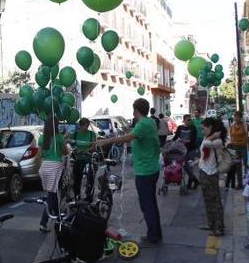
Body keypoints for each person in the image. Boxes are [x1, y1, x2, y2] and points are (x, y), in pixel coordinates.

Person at [94, 98, 163, 245]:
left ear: (136, 110)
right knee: (151, 203)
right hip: (151, 168)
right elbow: (132, 138)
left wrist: (105, 141)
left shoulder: (143, 123)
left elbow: (128, 137)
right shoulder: (149, 122)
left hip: (145, 171)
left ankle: (153, 236)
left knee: (147, 205)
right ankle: (155, 233)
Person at [37, 116, 69, 232]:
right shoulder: (59, 138)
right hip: (56, 168)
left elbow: (41, 155)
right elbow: (66, 152)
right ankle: (43, 222)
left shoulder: (41, 138)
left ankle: (58, 216)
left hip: (45, 167)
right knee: (52, 195)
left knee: (53, 194)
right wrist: (63, 141)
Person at [197, 117, 226, 236]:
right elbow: (203, 151)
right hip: (203, 171)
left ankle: (219, 227)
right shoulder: (207, 138)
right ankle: (211, 223)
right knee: (207, 199)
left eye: (204, 128)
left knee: (215, 201)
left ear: (210, 128)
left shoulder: (217, 141)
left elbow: (206, 144)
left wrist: (213, 136)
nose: (202, 131)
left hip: (212, 173)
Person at [69, 118, 97, 201]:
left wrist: (85, 151)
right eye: (84, 126)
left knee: (90, 176)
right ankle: (77, 195)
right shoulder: (75, 134)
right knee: (77, 177)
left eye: (87, 126)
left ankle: (89, 196)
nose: (85, 128)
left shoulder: (92, 134)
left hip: (88, 158)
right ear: (80, 126)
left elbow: (93, 146)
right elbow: (69, 142)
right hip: (78, 158)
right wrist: (74, 149)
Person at [173, 114, 200, 189]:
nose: (189, 121)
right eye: (188, 120)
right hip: (182, 150)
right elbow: (175, 137)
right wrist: (170, 142)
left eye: (190, 119)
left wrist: (187, 141)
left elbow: (193, 139)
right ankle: (195, 181)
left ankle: (190, 183)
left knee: (189, 167)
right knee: (184, 166)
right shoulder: (180, 127)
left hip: (191, 150)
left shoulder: (193, 128)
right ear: (184, 120)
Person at [228, 111, 249, 187]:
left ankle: (248, 182)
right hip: (235, 148)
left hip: (244, 147)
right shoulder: (232, 126)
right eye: (235, 116)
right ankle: (239, 183)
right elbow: (230, 135)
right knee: (238, 165)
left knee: (246, 164)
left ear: (241, 117)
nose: (236, 118)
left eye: (238, 116)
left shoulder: (245, 125)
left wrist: (248, 139)